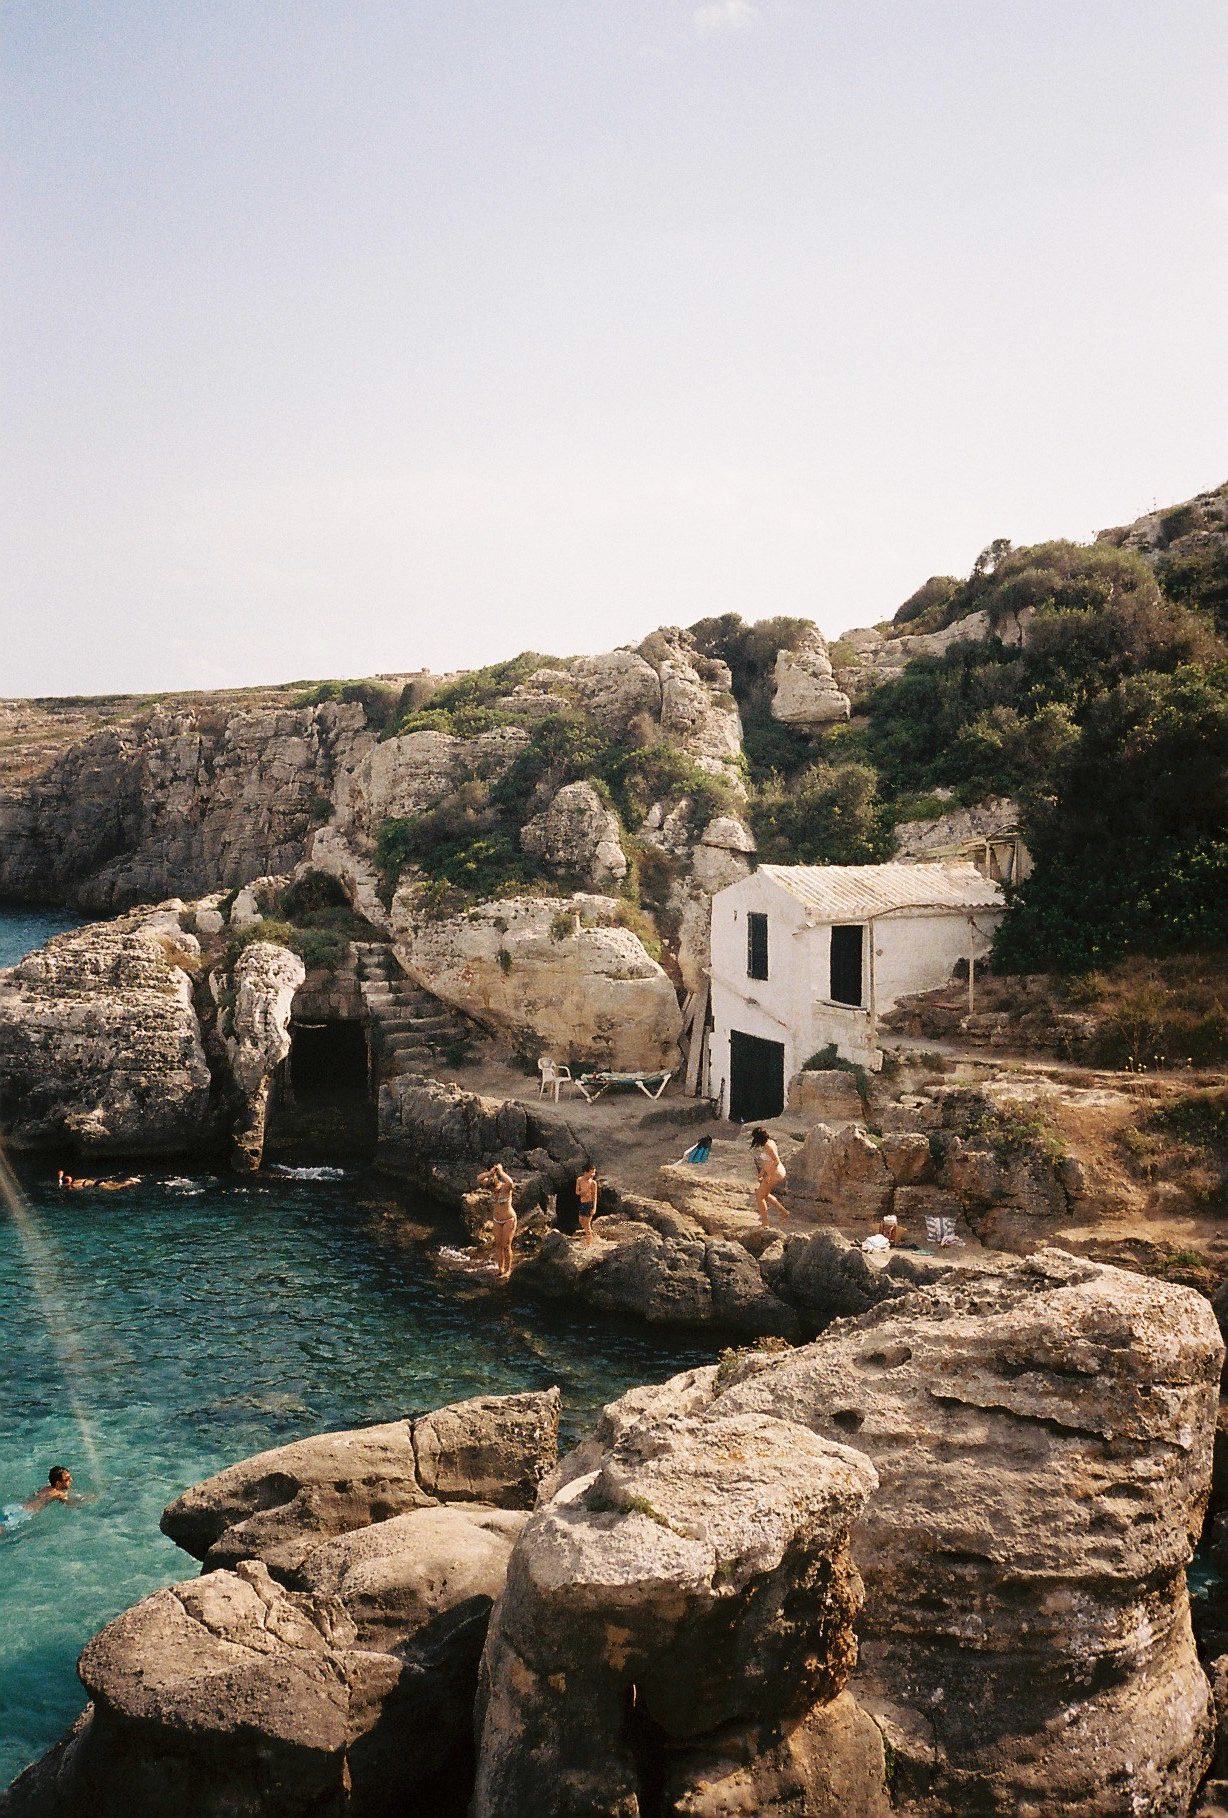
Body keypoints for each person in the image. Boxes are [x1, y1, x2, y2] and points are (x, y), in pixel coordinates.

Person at [1, 1466, 78, 1534]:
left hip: (16, 1507)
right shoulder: (58, 1494)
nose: (71, 1480)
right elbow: (70, 1504)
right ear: (58, 1483)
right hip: (23, 1513)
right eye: (67, 1479)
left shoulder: (46, 1488)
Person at [476, 1163, 517, 1280]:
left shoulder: (505, 1188)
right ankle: (500, 1269)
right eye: (491, 1190)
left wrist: (501, 1172)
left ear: (497, 1184)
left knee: (506, 1245)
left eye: (494, 1189)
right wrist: (490, 1173)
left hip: (509, 1219)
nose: (493, 1191)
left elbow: (510, 1182)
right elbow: (479, 1178)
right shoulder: (491, 1185)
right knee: (498, 1244)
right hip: (497, 1220)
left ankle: (508, 1270)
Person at [749, 1127, 788, 1226]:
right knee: (765, 1194)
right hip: (775, 1172)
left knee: (759, 1196)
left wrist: (768, 1175)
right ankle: (784, 1212)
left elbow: (776, 1161)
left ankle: (765, 1223)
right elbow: (767, 1161)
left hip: (775, 1173)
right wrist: (762, 1173)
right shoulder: (770, 1142)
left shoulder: (768, 1146)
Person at [575, 1164, 599, 1242]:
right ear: (585, 1172)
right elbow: (577, 1192)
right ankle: (591, 1235)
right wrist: (583, 1192)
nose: (593, 1174)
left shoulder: (593, 1183)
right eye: (591, 1172)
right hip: (582, 1203)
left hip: (589, 1204)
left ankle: (589, 1242)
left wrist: (594, 1208)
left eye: (594, 1172)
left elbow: (595, 1196)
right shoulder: (579, 1180)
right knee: (581, 1220)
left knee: (587, 1223)